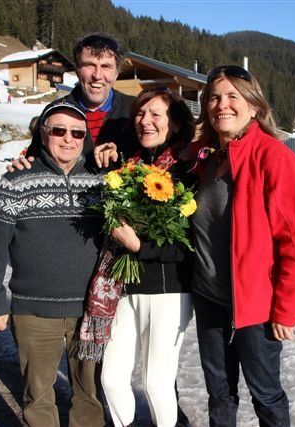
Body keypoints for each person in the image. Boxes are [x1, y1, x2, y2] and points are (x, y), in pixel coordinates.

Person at [190, 65, 295, 426]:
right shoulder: (205, 157)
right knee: (219, 393)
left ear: (254, 106)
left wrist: (286, 309)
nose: (222, 105)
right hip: (210, 298)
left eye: (233, 96)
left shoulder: (274, 158)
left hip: (256, 306)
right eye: (214, 97)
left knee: (265, 394)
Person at [0, 101, 106, 427]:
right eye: (59, 130)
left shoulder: (102, 181)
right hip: (34, 310)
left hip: (90, 310)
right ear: (43, 133)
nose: (68, 139)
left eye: (77, 133)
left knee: (89, 395)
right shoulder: (16, 181)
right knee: (38, 395)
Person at [91, 86, 196, 427]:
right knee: (111, 378)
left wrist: (140, 246)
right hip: (125, 286)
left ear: (175, 123)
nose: (145, 121)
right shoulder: (130, 165)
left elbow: (190, 243)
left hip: (168, 290)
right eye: (139, 113)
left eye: (155, 114)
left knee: (156, 384)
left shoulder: (187, 169)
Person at [16, 33, 137, 168]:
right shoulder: (54, 112)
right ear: (77, 70)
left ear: (117, 73)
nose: (97, 75)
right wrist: (21, 170)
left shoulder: (136, 110)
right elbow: (35, 161)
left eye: (106, 66)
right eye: (89, 65)